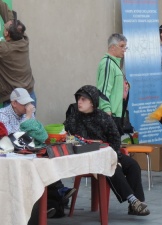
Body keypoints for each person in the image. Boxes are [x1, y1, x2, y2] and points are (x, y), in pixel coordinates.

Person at [64, 85, 150, 215]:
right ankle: (133, 201)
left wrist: (115, 155)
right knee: (113, 168)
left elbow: (115, 138)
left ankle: (136, 204)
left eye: (83, 99)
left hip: (109, 153)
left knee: (133, 165)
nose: (79, 102)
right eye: (78, 99)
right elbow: (64, 134)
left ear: (92, 102)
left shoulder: (103, 117)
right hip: (87, 158)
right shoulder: (74, 118)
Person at [0, 88, 75, 218]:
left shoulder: (27, 112)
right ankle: (56, 195)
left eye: (28, 103)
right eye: (24, 104)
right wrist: (28, 119)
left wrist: (30, 120)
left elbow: (41, 135)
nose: (28, 106)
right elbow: (16, 138)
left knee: (46, 160)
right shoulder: (3, 115)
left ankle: (53, 199)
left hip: (29, 151)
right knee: (37, 167)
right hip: (12, 156)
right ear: (13, 103)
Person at [0, 0, 36, 107]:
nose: (10, 20)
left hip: (15, 102)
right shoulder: (23, 39)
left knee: (15, 125)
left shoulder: (5, 49)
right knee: (30, 123)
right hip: (30, 95)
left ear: (7, 33)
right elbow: (7, 13)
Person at [97, 33, 128, 136]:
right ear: (113, 47)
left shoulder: (115, 64)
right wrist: (107, 111)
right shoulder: (108, 63)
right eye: (122, 46)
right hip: (110, 115)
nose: (124, 49)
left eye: (125, 47)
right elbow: (103, 90)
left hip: (116, 114)